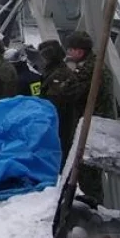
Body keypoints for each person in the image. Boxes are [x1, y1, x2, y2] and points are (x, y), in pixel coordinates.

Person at [64, 30, 115, 205]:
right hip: (96, 123)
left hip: (92, 127)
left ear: (79, 51)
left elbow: (70, 93)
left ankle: (94, 206)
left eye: (70, 50)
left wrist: (69, 73)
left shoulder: (88, 70)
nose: (68, 53)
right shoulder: (94, 65)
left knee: (87, 170)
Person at [37, 39, 76, 168]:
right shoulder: (53, 71)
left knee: (58, 152)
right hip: (56, 121)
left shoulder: (59, 75)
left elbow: (53, 103)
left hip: (58, 122)